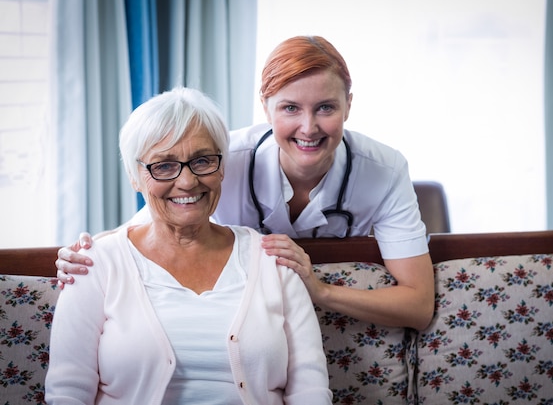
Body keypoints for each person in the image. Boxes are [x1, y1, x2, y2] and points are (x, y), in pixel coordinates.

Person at [55, 35, 435, 331]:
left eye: (326, 107)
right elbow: (145, 227)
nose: (308, 127)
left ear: (348, 105)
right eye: (290, 108)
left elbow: (418, 306)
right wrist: (86, 253)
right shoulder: (218, 161)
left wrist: (320, 290)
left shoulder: (384, 170)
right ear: (265, 105)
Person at [45, 86, 332, 405]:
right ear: (135, 176)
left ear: (222, 167)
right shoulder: (93, 264)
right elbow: (67, 392)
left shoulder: (273, 260)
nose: (187, 181)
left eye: (202, 160)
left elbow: (310, 389)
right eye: (164, 165)